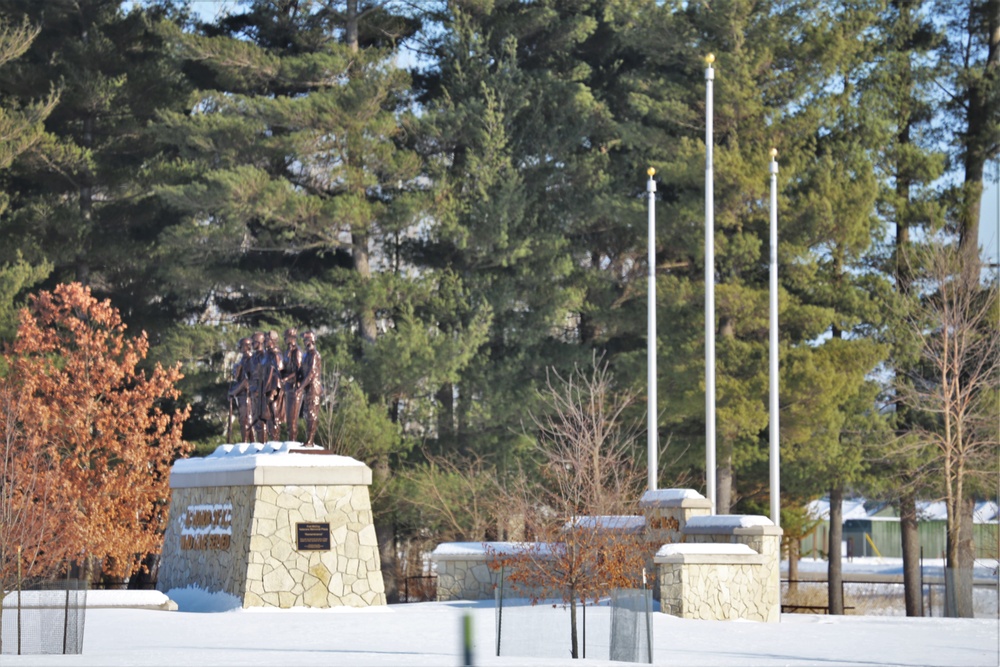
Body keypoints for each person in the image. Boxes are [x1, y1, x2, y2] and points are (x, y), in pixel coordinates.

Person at [299, 330, 323, 446]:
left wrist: (300, 387)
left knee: (312, 414)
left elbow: (311, 374)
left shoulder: (314, 355)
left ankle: (310, 440)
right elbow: (302, 372)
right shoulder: (306, 355)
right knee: (307, 414)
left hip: (313, 388)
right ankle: (308, 439)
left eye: (305, 339)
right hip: (308, 388)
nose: (304, 342)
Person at [227, 337, 254, 442]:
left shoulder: (251, 360)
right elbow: (237, 378)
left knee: (246, 419)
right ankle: (247, 442)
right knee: (243, 420)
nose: (240, 349)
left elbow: (247, 381)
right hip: (241, 395)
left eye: (242, 346)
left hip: (248, 394)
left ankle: (247, 442)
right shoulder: (242, 361)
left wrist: (234, 391)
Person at [260, 330, 284, 440]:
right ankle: (271, 439)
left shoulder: (276, 355)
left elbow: (279, 373)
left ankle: (275, 439)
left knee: (275, 416)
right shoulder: (267, 355)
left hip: (274, 389)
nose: (264, 342)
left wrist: (274, 391)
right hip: (266, 388)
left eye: (266, 340)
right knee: (268, 416)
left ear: (272, 341)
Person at [281, 328, 303, 441]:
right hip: (288, 387)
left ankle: (292, 441)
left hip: (295, 387)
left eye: (286, 337)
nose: (284, 339)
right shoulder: (287, 352)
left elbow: (299, 371)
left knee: (293, 418)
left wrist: (287, 378)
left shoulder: (297, 352)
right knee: (288, 419)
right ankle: (290, 440)